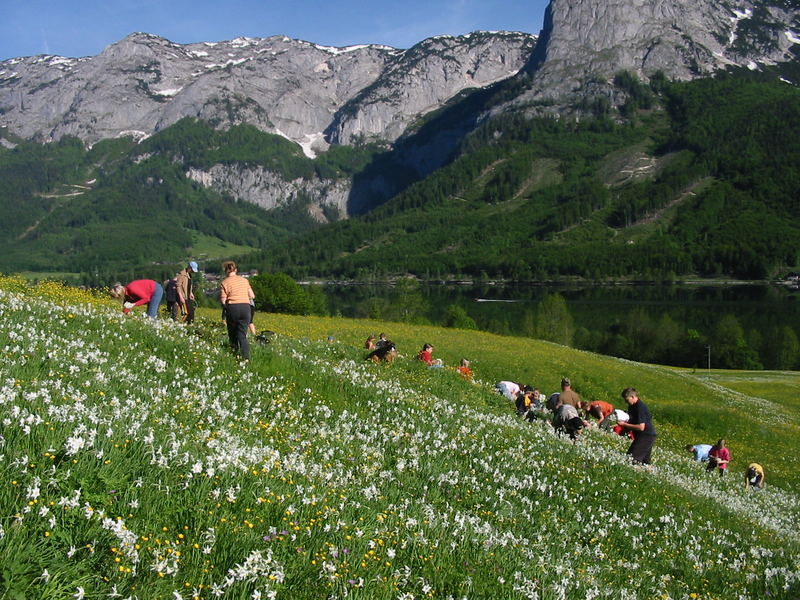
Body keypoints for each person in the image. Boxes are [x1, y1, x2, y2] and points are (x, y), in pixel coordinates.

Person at [219, 261, 255, 361]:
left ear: (225, 271)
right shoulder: (245, 280)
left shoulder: (224, 282)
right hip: (245, 308)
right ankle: (246, 358)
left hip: (233, 308)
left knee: (232, 333)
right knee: (242, 335)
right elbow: (252, 295)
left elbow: (223, 299)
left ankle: (234, 354)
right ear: (236, 270)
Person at [617, 387, 657, 465]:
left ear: (633, 397)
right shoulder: (631, 406)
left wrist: (625, 424)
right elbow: (631, 421)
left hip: (646, 435)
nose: (626, 402)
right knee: (644, 462)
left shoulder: (640, 407)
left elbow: (641, 427)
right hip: (644, 436)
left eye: (627, 400)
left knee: (632, 459)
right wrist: (624, 430)